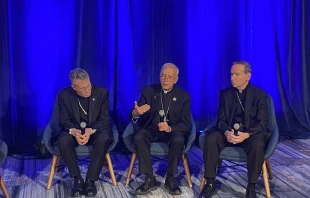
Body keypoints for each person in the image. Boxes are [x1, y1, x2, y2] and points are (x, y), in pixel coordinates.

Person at [199, 61, 271, 198]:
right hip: (229, 133)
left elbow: (262, 123)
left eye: (237, 74)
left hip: (250, 134)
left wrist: (246, 135)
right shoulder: (225, 94)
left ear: (247, 76)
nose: (232, 77)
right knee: (211, 138)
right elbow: (220, 120)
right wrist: (226, 132)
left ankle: (251, 187)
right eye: (232, 74)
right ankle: (210, 183)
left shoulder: (260, 95)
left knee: (257, 143)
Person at [131, 63, 191, 195]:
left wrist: (170, 128)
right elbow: (135, 113)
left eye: (170, 77)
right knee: (139, 137)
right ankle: (149, 178)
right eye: (163, 76)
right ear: (159, 77)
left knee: (178, 140)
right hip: (151, 129)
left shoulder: (183, 96)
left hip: (171, 131)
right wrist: (136, 113)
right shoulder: (148, 91)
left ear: (176, 79)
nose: (166, 79)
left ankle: (170, 178)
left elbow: (186, 124)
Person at [57, 68, 111, 197]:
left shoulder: (102, 93)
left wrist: (90, 130)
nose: (88, 90)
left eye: (89, 86)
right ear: (74, 88)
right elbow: (63, 120)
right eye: (83, 88)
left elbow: (104, 119)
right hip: (74, 130)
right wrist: (74, 131)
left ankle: (90, 181)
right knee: (63, 140)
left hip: (95, 130)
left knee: (104, 138)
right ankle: (77, 179)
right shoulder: (64, 94)